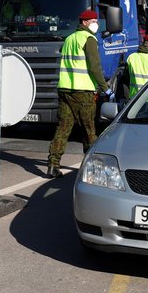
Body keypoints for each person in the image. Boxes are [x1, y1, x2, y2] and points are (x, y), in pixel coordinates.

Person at [47, 10, 111, 179]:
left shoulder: (69, 39)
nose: (96, 24)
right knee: (89, 130)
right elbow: (94, 67)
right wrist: (104, 87)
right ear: (84, 22)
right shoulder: (88, 39)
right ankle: (94, 170)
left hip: (65, 89)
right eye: (93, 21)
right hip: (82, 91)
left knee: (63, 128)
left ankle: (53, 165)